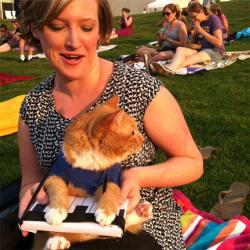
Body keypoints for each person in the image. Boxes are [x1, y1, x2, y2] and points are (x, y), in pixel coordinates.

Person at [0, 0, 203, 249]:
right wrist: (30, 192)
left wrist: (135, 176)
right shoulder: (33, 106)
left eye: (86, 27)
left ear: (101, 31)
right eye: (57, 26)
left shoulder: (139, 89)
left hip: (136, 227)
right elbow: (31, 180)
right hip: (62, 227)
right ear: (36, 29)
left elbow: (192, 162)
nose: (73, 42)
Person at [152, 2, 224, 76]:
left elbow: (219, 42)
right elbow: (194, 42)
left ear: (201, 12)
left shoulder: (213, 19)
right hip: (201, 48)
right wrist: (193, 35)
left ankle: (168, 69)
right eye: (191, 17)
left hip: (214, 51)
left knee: (187, 60)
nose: (193, 19)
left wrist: (201, 31)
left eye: (194, 16)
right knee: (180, 49)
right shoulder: (197, 22)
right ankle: (164, 69)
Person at [136, 4, 187, 74]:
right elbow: (159, 44)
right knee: (140, 49)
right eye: (164, 14)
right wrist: (159, 37)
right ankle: (150, 58)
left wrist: (168, 39)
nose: (165, 16)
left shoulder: (180, 25)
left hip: (174, 50)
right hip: (163, 49)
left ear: (174, 13)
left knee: (160, 55)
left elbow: (183, 44)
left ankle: (146, 62)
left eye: (168, 13)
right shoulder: (165, 25)